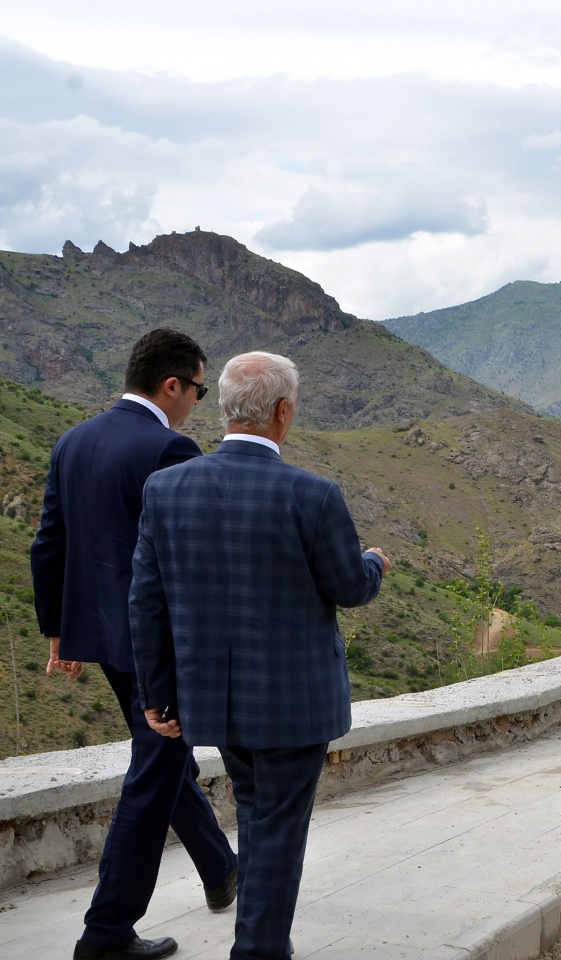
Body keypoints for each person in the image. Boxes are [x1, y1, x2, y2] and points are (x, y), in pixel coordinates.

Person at [131, 351, 389, 960]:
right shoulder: (314, 495)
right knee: (277, 829)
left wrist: (157, 693)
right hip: (293, 705)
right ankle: (259, 950)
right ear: (283, 411)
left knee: (255, 814)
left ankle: (260, 940)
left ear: (224, 409)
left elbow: (146, 601)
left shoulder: (166, 489)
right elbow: (350, 588)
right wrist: (374, 563)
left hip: (213, 702)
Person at [31, 328, 239, 960]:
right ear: (171, 385)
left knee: (164, 759)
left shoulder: (73, 441)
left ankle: (220, 868)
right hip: (157, 646)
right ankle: (106, 932)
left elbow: (49, 542)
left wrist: (59, 631)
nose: (198, 402)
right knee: (153, 772)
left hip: (101, 635)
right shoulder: (169, 448)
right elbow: (188, 562)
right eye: (198, 389)